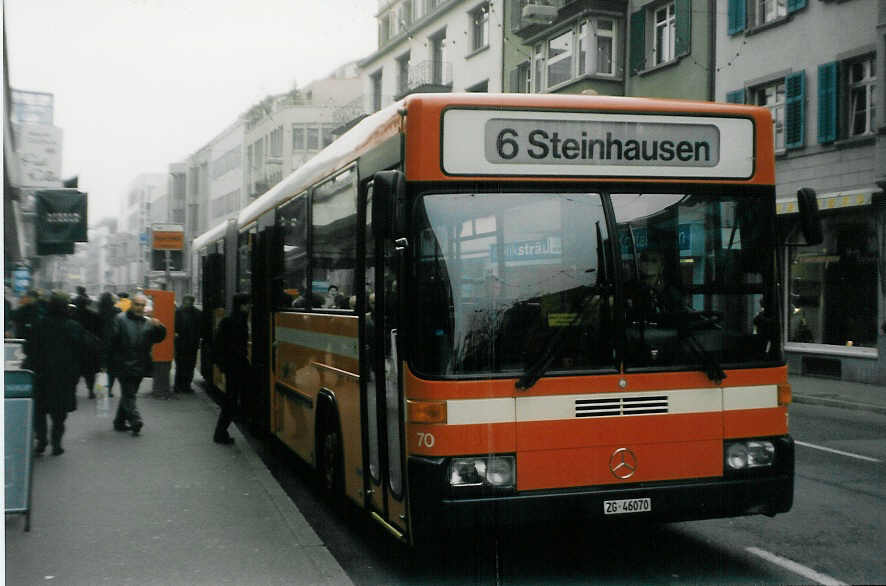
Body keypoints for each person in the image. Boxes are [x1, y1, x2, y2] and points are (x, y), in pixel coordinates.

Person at [24, 291, 85, 456]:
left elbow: (28, 348)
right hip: (65, 376)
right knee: (60, 412)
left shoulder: (39, 324)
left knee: (40, 410)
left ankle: (41, 440)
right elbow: (82, 350)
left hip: (41, 374)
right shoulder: (74, 326)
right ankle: (56, 442)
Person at [105, 293, 166, 436]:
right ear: (131, 304)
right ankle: (135, 420)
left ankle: (119, 422)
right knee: (129, 394)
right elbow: (111, 342)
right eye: (137, 304)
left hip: (141, 364)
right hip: (123, 364)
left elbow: (159, 338)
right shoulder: (119, 320)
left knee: (129, 394)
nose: (139, 308)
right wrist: (107, 363)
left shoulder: (148, 322)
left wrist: (159, 327)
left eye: (142, 305)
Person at [212, 293, 250, 445]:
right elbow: (223, 345)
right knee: (231, 400)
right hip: (234, 366)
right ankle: (220, 432)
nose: (249, 307)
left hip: (234, 365)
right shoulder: (233, 322)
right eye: (247, 304)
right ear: (241, 305)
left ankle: (222, 431)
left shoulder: (234, 320)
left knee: (232, 399)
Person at [72, 288, 101, 398]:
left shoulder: (72, 315)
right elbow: (99, 331)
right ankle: (90, 390)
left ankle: (73, 391)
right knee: (90, 371)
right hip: (90, 346)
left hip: (76, 346)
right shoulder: (93, 315)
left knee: (75, 370)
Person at [173, 295, 202, 394]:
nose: (188, 303)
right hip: (182, 344)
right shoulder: (178, 312)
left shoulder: (196, 313)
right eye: (186, 301)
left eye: (190, 301)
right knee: (182, 366)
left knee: (188, 366)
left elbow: (200, 329)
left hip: (190, 344)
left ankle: (185, 386)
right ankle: (180, 386)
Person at [96, 292, 121, 397]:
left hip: (101, 343)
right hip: (114, 343)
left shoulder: (98, 313)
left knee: (103, 368)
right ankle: (109, 390)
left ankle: (101, 390)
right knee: (112, 368)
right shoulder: (117, 311)